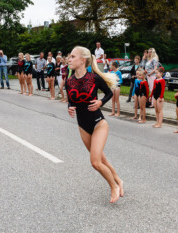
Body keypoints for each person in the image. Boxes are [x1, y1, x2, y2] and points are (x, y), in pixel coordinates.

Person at [65, 46, 123, 203]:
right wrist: (70, 107)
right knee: (101, 159)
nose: (69, 59)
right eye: (69, 57)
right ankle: (118, 179)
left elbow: (109, 92)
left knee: (95, 162)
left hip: (99, 123)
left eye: (72, 56)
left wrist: (100, 102)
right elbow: (71, 99)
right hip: (82, 125)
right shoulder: (68, 81)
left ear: (82, 60)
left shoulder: (94, 78)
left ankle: (113, 187)